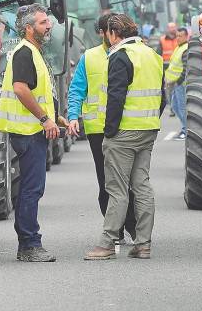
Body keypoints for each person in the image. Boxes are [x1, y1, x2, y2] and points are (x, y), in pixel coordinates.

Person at [84, 14, 165, 261]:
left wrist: (109, 132)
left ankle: (107, 243)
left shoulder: (120, 56)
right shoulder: (152, 55)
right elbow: (163, 96)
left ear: (112, 33)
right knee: (141, 186)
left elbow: (116, 98)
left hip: (124, 133)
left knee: (117, 190)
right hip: (148, 129)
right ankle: (143, 244)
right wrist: (151, 121)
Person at [0, 3, 68, 263]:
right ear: (28, 28)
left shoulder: (34, 52)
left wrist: (55, 116)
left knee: (32, 188)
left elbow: (39, 92)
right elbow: (21, 89)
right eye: (42, 23)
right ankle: (29, 245)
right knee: (31, 189)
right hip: (28, 131)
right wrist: (44, 118)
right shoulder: (25, 53)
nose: (49, 26)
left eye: (48, 22)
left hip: (33, 129)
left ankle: (29, 243)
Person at [67, 14, 137, 242]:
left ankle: (134, 227)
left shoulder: (132, 54)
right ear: (101, 32)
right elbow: (77, 89)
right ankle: (115, 229)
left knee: (130, 182)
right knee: (106, 182)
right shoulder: (89, 58)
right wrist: (73, 116)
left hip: (128, 127)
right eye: (109, 29)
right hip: (99, 131)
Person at [164, 27, 190, 140]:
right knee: (174, 106)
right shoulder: (179, 48)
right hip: (175, 84)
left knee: (182, 108)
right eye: (177, 36)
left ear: (186, 36)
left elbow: (185, 68)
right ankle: (185, 129)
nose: (177, 38)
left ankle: (186, 130)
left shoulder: (185, 49)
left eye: (180, 36)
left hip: (180, 84)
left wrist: (179, 81)